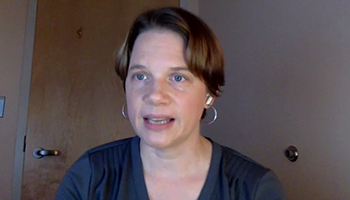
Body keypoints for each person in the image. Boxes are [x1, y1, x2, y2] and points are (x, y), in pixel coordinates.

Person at [55, 7, 287, 200]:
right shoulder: (90, 176)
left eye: (178, 78)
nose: (155, 95)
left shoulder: (254, 188)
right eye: (141, 76)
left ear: (210, 94)